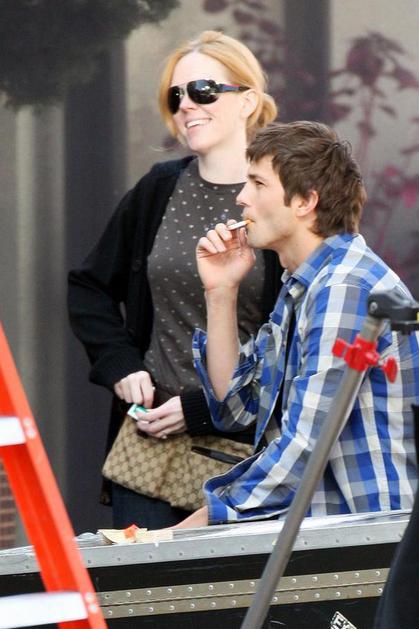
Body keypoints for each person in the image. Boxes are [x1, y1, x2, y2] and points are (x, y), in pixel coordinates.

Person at [67, 30, 283, 528]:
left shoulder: (278, 196)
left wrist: (203, 408)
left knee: (233, 579)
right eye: (176, 95)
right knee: (142, 573)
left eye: (203, 90)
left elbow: (295, 338)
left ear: (248, 101)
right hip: (151, 441)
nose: (187, 105)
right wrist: (121, 364)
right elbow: (89, 286)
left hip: (245, 449)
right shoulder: (159, 189)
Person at [172, 120, 419, 529]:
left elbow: (306, 444)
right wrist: (220, 292)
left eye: (257, 183)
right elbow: (234, 407)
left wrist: (198, 523)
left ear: (305, 201)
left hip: (369, 538)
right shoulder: (304, 286)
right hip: (333, 536)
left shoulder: (344, 286)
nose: (241, 197)